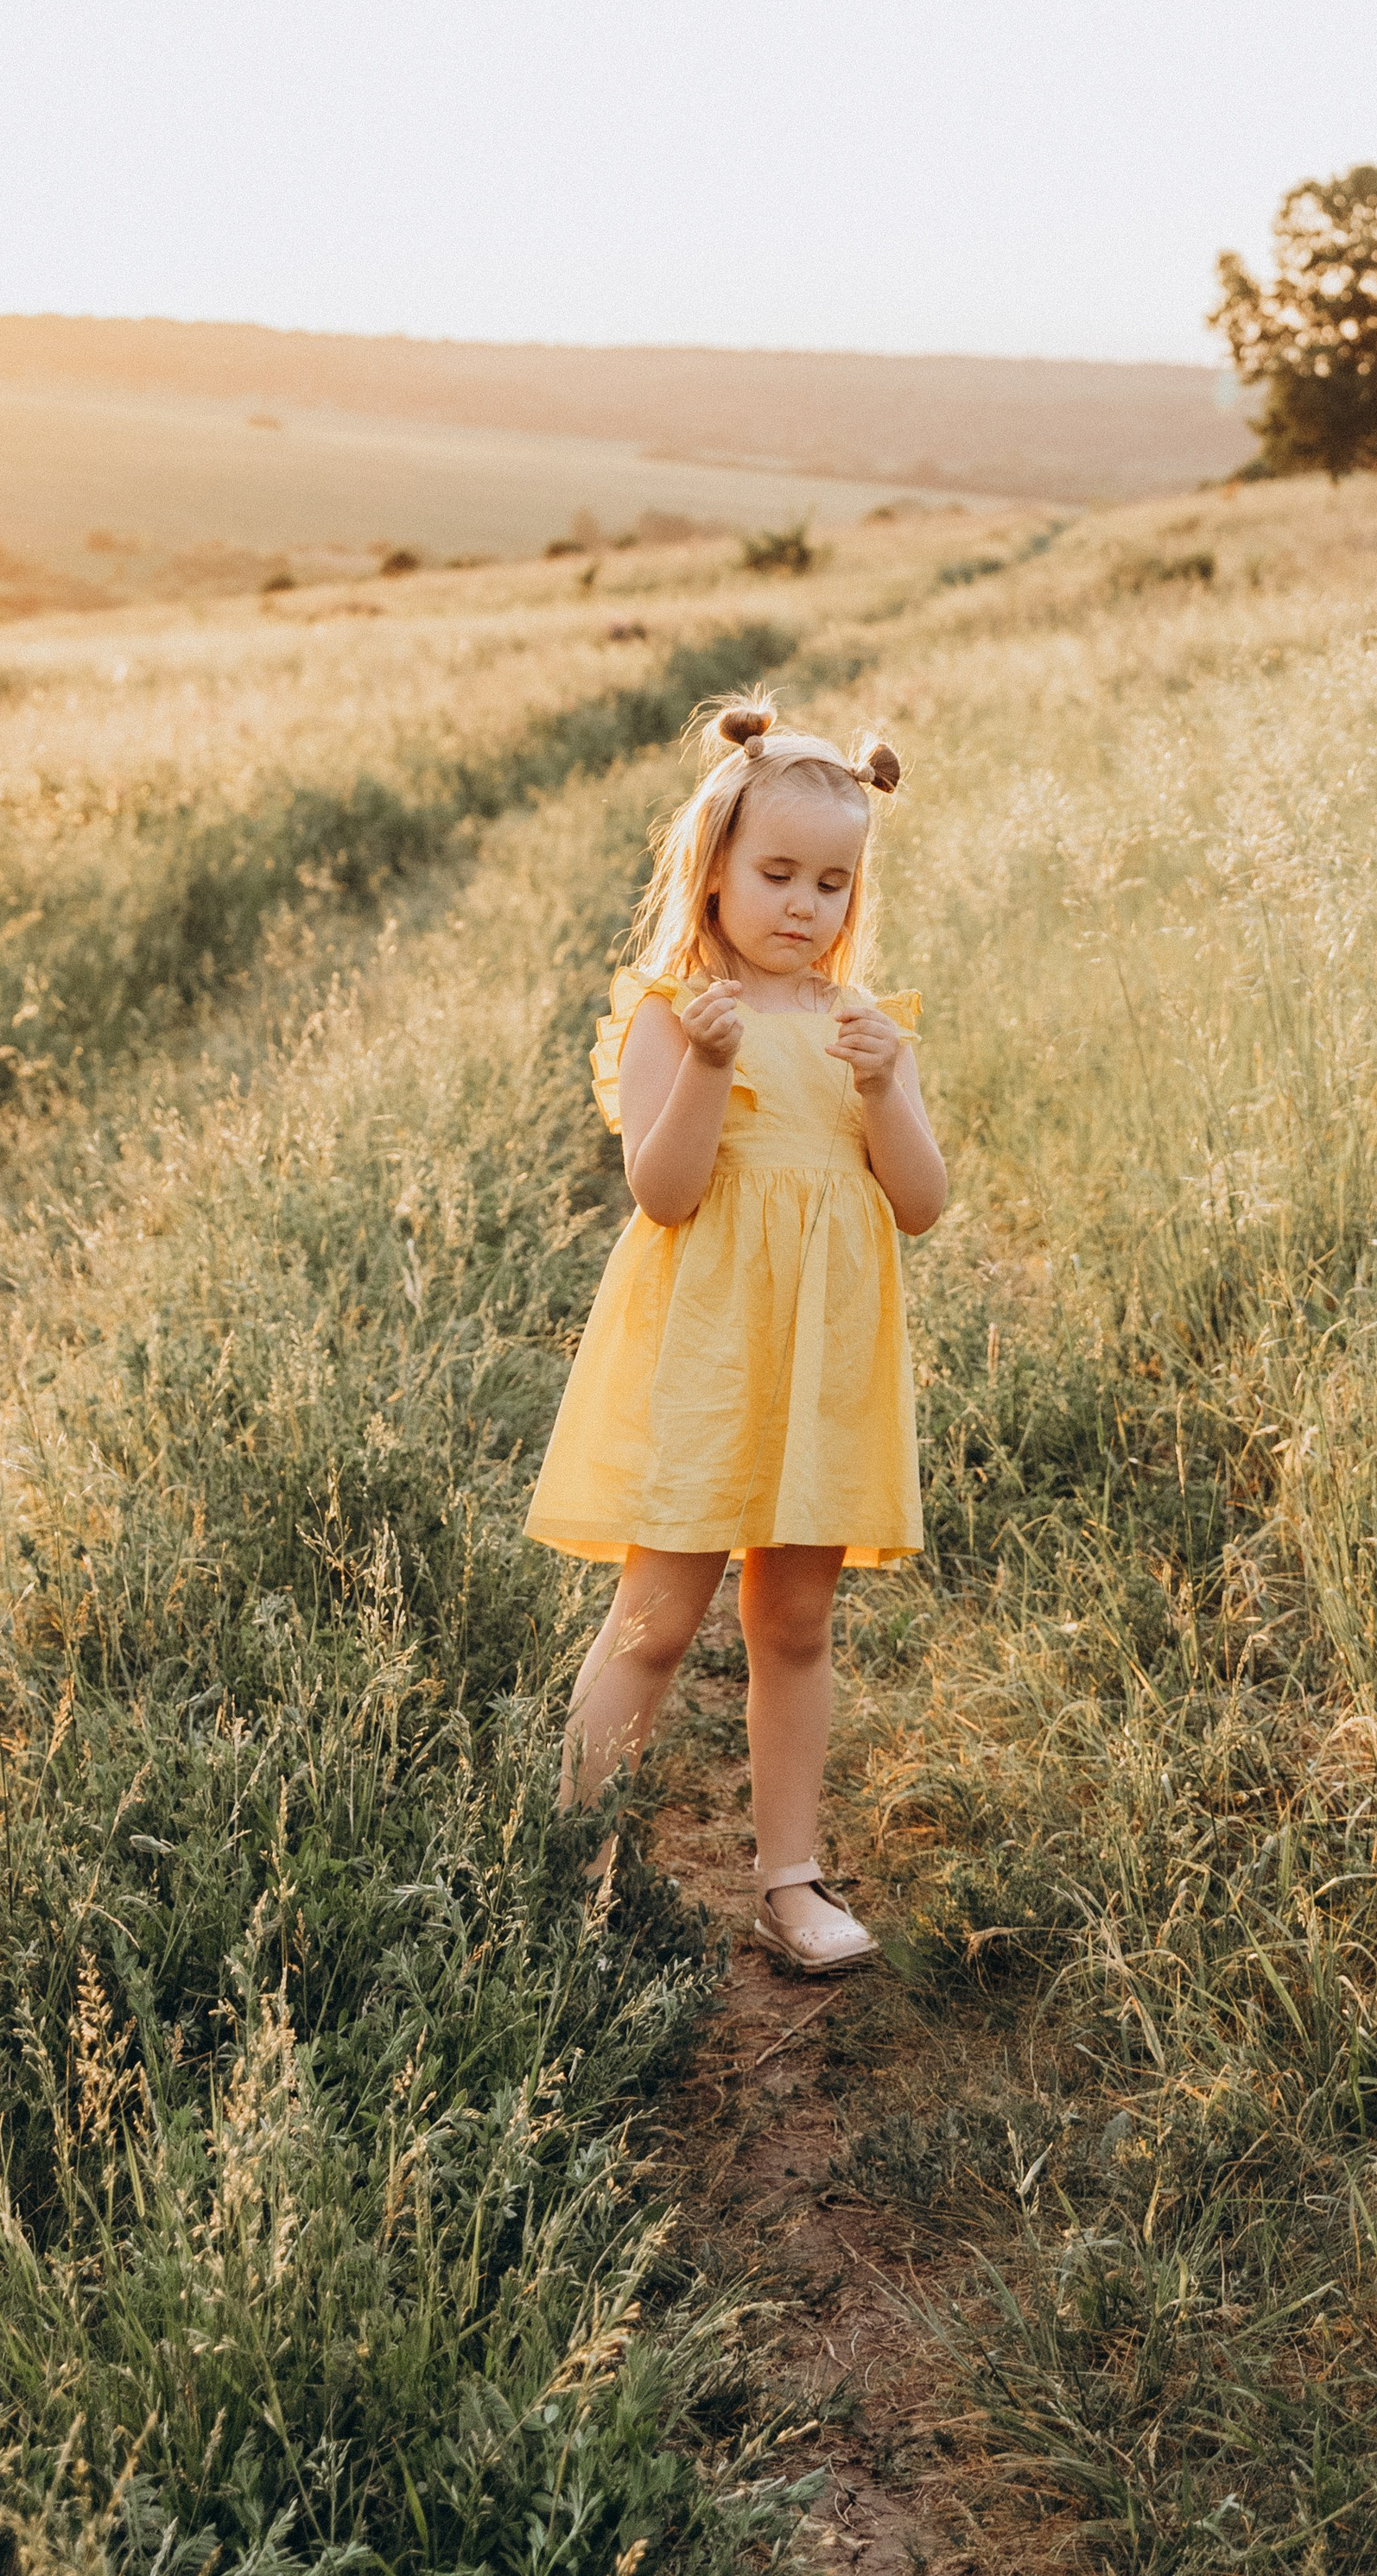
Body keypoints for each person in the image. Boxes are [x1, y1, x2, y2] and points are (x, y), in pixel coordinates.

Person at [524, 693, 947, 1973]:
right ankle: (570, 1867)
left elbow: (920, 1205)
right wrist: (707, 1066)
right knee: (656, 1619)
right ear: (712, 871)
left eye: (832, 881)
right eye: (776, 873)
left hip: (821, 1363)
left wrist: (885, 1086)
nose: (803, 905)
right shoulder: (674, 1011)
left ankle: (791, 1877)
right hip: (705, 1355)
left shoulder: (865, 1028)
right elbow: (665, 1191)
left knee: (796, 1622)